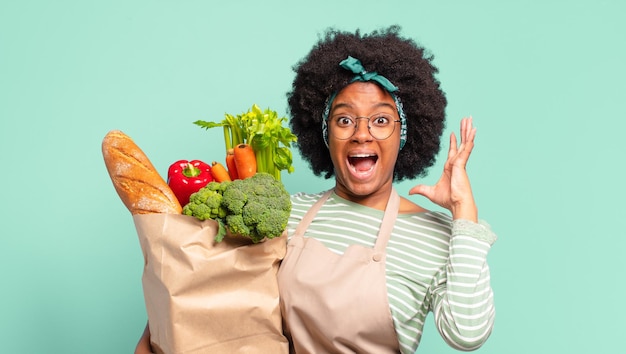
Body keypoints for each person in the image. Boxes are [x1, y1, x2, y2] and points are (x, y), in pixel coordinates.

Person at [135, 25, 496, 354]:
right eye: (344, 119)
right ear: (324, 134)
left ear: (405, 135)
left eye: (381, 120)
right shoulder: (290, 213)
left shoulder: (434, 235)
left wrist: (464, 212)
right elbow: (215, 298)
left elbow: (466, 333)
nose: (361, 132)